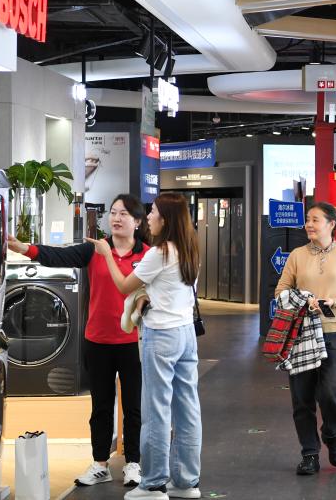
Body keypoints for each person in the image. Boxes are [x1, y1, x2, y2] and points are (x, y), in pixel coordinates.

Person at [7, 194, 148, 488]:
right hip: (97, 340)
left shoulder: (147, 255)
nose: (116, 218)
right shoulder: (94, 249)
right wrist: (25, 248)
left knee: (133, 406)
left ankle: (133, 462)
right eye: (113, 212)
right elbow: (58, 256)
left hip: (133, 342)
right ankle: (100, 464)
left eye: (123, 214)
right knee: (100, 405)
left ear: (137, 221)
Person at [88, 192, 203, 500]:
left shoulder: (159, 253)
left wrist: (107, 254)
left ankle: (152, 484)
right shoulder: (190, 250)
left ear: (165, 219)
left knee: (156, 410)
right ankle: (186, 482)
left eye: (152, 213)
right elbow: (172, 291)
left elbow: (124, 284)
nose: (148, 217)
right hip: (186, 334)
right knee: (187, 408)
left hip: (161, 336)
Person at [274, 202, 336, 476]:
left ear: (331, 224)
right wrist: (304, 300)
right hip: (300, 334)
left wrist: (333, 301)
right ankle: (310, 454)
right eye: (307, 220)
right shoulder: (297, 255)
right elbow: (280, 291)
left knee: (330, 392)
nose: (308, 225)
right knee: (302, 398)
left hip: (334, 334)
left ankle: (331, 434)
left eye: (315, 220)